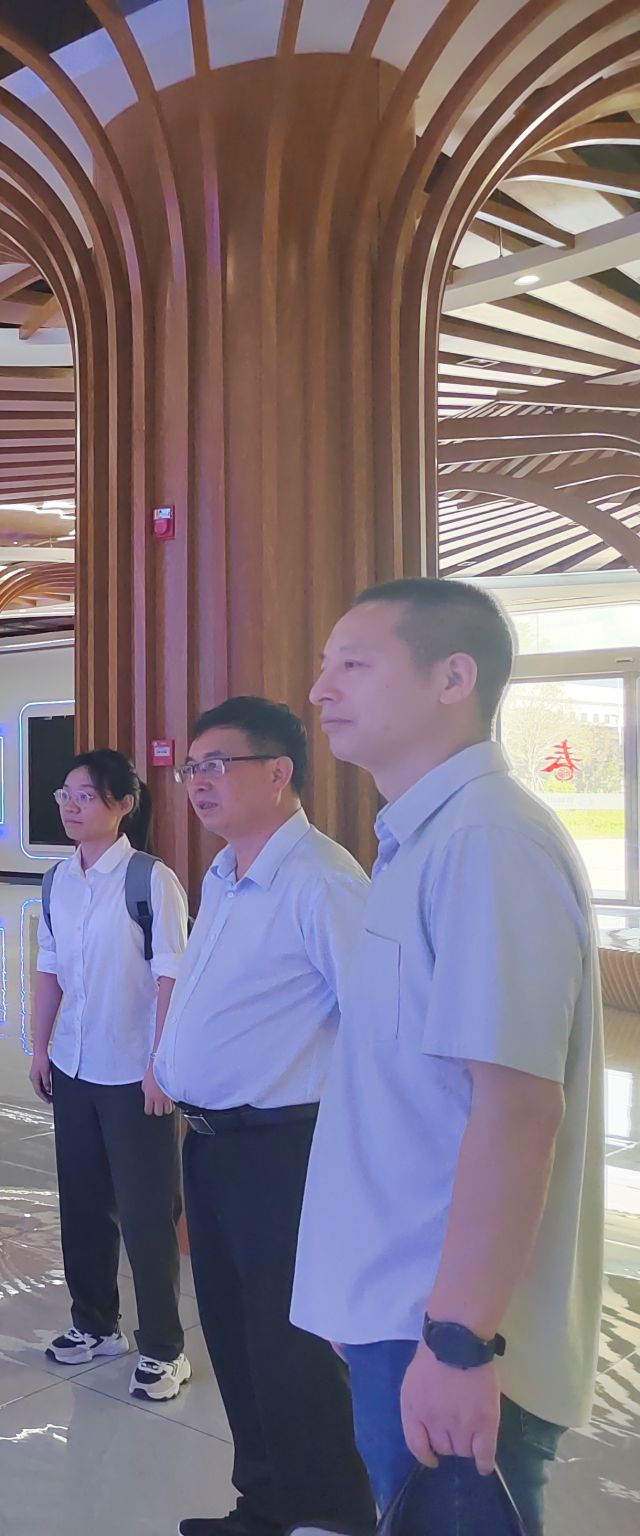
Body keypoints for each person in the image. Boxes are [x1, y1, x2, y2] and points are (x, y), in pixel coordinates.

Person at [296, 579, 603, 1534]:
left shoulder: (485, 841)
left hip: (455, 1331)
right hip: (404, 1308)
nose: (321, 688)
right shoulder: (420, 841)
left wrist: (459, 1340)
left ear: (453, 678)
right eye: (324, 665)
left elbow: (517, 1109)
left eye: (354, 664)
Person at [153, 697, 375, 1536]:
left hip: (285, 1153)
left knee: (291, 1351)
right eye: (191, 768)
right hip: (214, 1146)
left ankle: (330, 1516)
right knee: (237, 1337)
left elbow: (378, 1030)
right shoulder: (224, 874)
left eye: (217, 766)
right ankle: (266, 1507)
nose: (197, 782)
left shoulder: (321, 880)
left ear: (279, 773)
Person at [29, 748, 195, 1401]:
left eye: (86, 796)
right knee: (82, 1204)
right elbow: (48, 969)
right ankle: (95, 1324)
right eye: (64, 795)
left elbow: (172, 976)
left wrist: (161, 1065)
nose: (71, 807)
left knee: (148, 1212)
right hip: (74, 1064)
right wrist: (40, 1048)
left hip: (133, 1074)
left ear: (123, 805)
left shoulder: (150, 880)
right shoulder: (57, 881)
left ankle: (164, 1348)